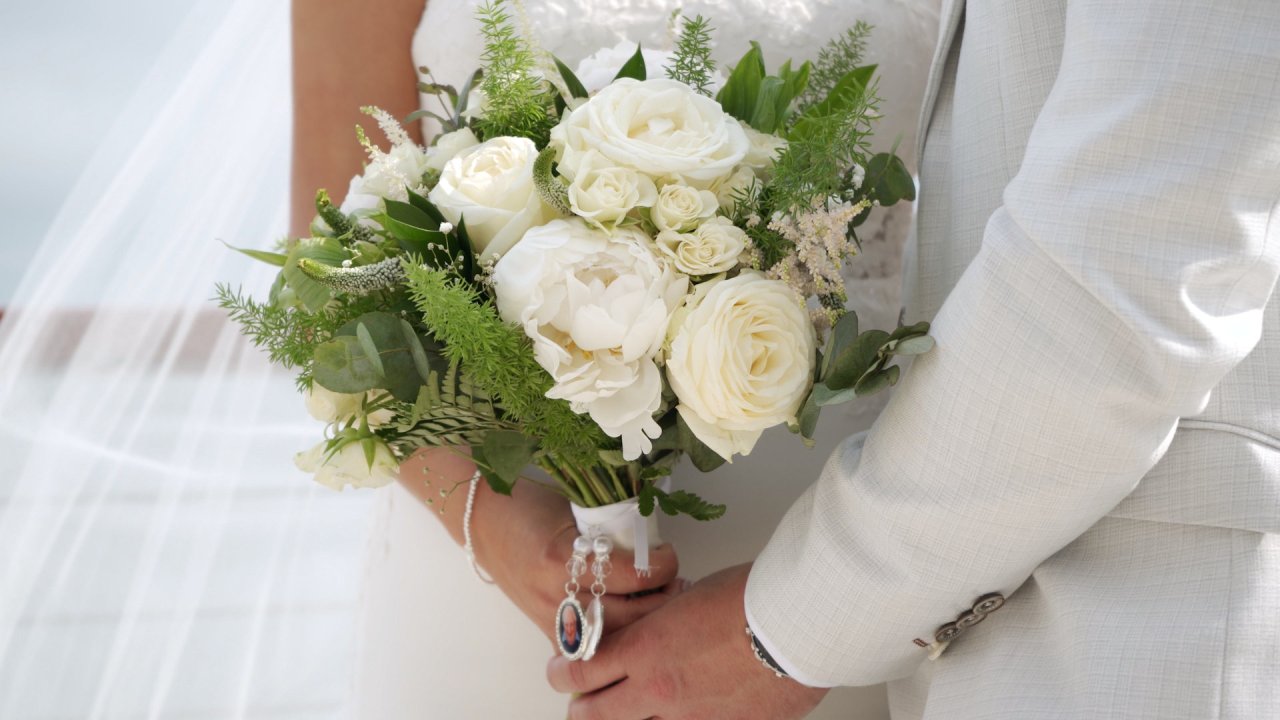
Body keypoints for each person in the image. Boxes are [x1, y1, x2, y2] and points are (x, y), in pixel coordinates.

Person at [545, 0, 1280, 718]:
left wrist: (781, 634)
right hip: (916, 613)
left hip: (1097, 609)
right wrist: (490, 518)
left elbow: (1132, 254)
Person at [291, 0, 940, 717]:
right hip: (515, 575)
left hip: (852, 563)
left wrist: (819, 619)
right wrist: (499, 532)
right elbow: (330, 280)